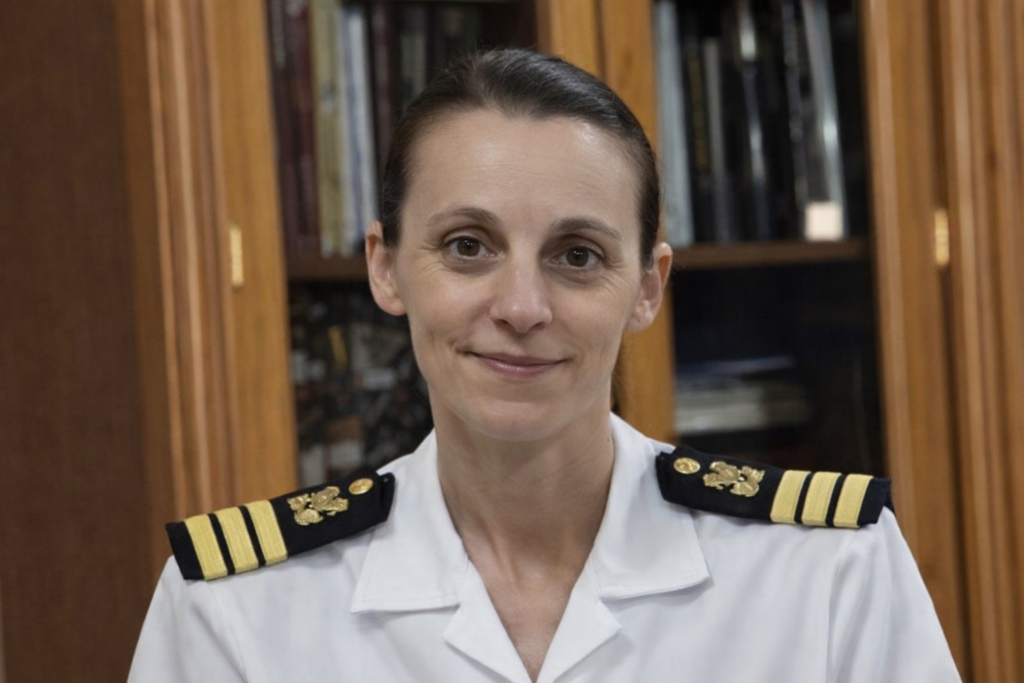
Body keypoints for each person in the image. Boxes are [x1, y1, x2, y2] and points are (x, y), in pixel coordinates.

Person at [127, 48, 961, 683]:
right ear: (385, 268)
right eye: (468, 246)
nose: (522, 306)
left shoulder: (827, 569)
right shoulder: (235, 606)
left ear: (647, 287)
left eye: (577, 254)